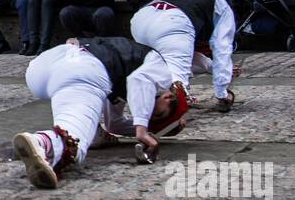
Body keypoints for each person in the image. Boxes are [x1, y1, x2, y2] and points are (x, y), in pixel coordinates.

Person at [15, 37, 189, 187]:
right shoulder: (162, 73)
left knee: (81, 115)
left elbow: (115, 124)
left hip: (44, 67)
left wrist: (153, 130)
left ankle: (90, 133)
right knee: (74, 137)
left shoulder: (129, 72)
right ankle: (44, 144)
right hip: (83, 68)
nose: (150, 115)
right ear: (168, 97)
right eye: (159, 114)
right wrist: (142, 130)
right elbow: (139, 81)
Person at [129, 0, 236, 108]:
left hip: (141, 19)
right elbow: (222, 48)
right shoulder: (224, 8)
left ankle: (150, 98)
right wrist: (222, 92)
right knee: (179, 86)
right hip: (173, 21)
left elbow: (190, 56)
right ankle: (168, 119)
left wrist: (213, 68)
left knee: (157, 65)